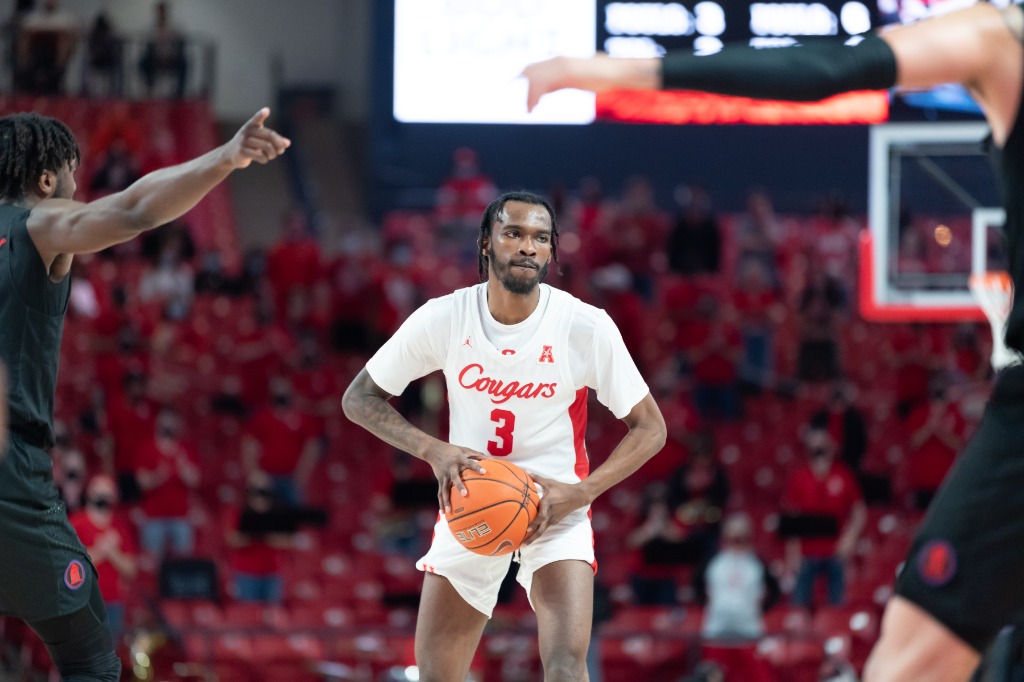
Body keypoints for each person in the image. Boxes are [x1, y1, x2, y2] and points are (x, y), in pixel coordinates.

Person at [522, 8, 1024, 677]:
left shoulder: (1003, 39)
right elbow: (827, 69)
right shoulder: (1003, 39)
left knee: (910, 662)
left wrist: (609, 71)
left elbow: (828, 68)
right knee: (917, 657)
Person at [0, 106, 288, 680]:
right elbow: (132, 208)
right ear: (46, 181)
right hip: (11, 476)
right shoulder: (38, 223)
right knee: (88, 653)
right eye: (73, 174)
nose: (79, 187)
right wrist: (224, 157)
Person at [342, 190, 666, 682]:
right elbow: (359, 398)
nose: (527, 247)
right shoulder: (445, 317)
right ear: (485, 244)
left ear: (553, 251)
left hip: (556, 502)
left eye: (540, 238)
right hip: (471, 499)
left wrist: (581, 492)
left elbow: (651, 428)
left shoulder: (584, 326)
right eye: (513, 233)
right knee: (436, 675)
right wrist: (433, 450)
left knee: (564, 665)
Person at [783, 427, 865, 610]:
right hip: (807, 552)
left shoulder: (843, 475)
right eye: (814, 447)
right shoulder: (799, 477)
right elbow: (793, 516)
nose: (818, 451)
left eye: (822, 446)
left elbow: (859, 511)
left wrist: (850, 538)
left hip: (836, 551)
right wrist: (793, 551)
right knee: (799, 605)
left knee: (836, 607)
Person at [69, 475, 137, 643]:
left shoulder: (119, 526)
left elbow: (131, 569)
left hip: (112, 603)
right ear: (90, 493)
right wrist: (101, 550)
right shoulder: (76, 523)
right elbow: (70, 564)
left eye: (108, 493)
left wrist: (112, 552)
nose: (103, 498)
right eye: (99, 492)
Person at [225, 470, 293, 604]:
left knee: (272, 617)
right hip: (246, 573)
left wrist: (267, 536)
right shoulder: (237, 512)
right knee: (247, 616)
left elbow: (288, 540)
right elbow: (232, 539)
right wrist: (253, 534)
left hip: (272, 573)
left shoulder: (279, 512)